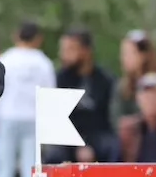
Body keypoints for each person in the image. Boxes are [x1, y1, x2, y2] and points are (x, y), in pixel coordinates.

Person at [0, 22, 56, 177]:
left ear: (16, 35)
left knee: (5, 166)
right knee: (32, 167)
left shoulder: (6, 60)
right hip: (33, 118)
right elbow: (49, 94)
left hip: (8, 116)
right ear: (38, 38)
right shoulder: (43, 63)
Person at [48, 27, 116, 162]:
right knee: (54, 155)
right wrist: (78, 146)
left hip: (98, 136)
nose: (63, 55)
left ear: (86, 51)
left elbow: (109, 119)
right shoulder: (59, 79)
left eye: (70, 49)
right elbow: (56, 121)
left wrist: (89, 144)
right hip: (67, 140)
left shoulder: (105, 81)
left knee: (113, 148)